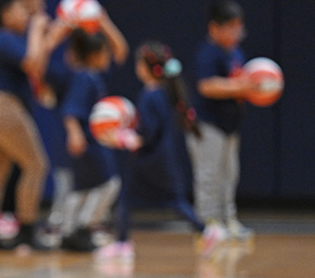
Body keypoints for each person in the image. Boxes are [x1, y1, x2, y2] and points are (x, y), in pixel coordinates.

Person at [96, 41, 224, 261]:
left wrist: (128, 139)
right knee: (159, 200)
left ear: (145, 68)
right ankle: (123, 243)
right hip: (160, 158)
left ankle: (124, 243)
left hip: (150, 160)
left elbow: (149, 131)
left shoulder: (150, 96)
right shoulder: (164, 92)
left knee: (134, 199)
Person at [0, 0, 67, 251]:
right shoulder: (4, 37)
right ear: (4, 14)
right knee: (36, 165)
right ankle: (26, 230)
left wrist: (49, 40)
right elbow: (32, 63)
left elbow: (35, 63)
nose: (25, 13)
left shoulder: (3, 38)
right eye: (19, 9)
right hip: (3, 106)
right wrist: (38, 28)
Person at [186, 0, 258, 241]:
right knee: (209, 175)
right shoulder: (208, 53)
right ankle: (208, 223)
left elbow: (241, 83)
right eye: (231, 27)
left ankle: (229, 219)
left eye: (239, 27)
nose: (237, 32)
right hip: (207, 125)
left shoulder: (236, 52)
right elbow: (206, 86)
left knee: (230, 174)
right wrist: (239, 86)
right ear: (214, 28)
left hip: (230, 126)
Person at [57, 17, 128, 252]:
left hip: (93, 143)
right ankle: (83, 226)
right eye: (105, 53)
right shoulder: (84, 77)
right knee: (109, 185)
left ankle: (70, 230)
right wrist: (74, 134)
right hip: (89, 144)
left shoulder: (92, 78)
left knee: (84, 188)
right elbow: (70, 110)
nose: (108, 57)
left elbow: (121, 51)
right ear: (96, 54)